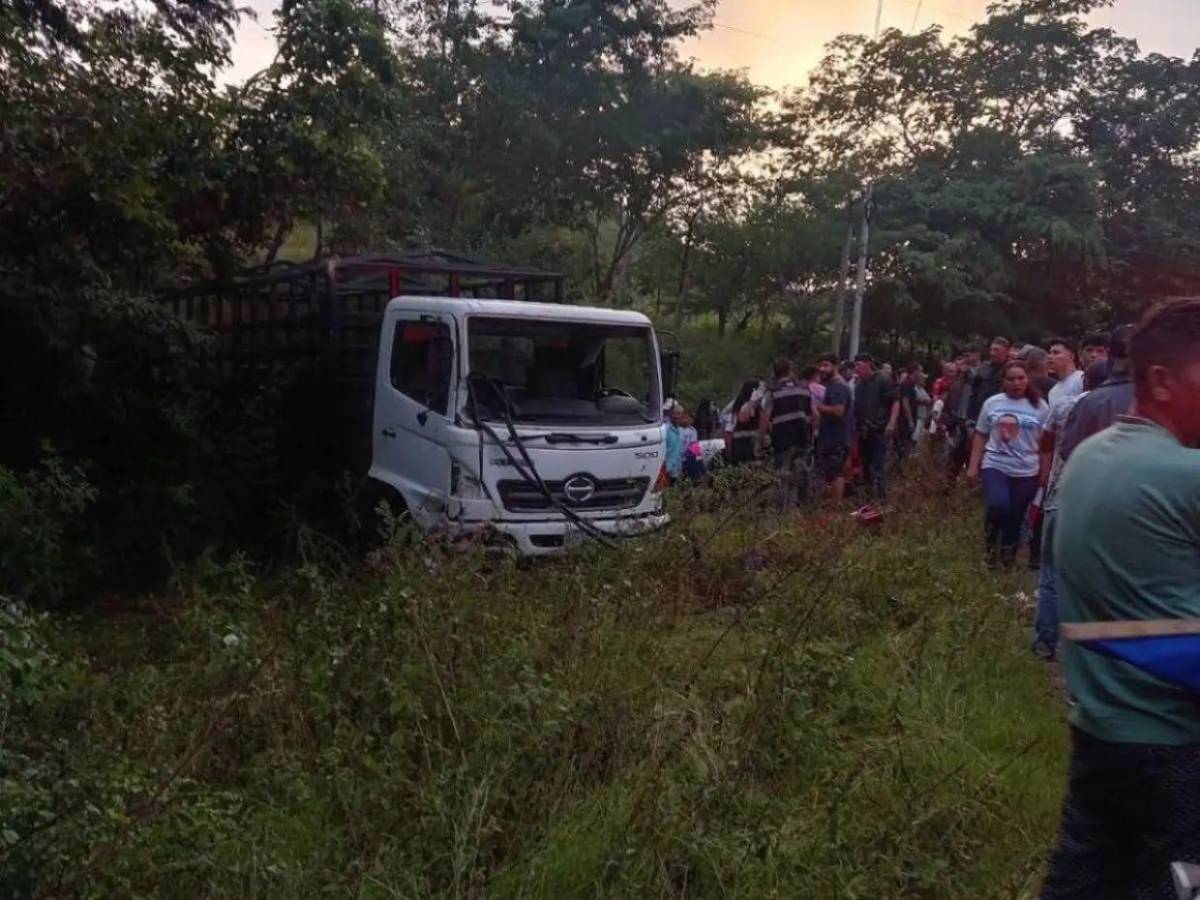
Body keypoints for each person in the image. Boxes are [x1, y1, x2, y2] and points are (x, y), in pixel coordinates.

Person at [1040, 298, 1200, 899]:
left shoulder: (1091, 456)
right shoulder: (1183, 475)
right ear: (1160, 380)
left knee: (1087, 881)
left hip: (1102, 731)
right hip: (1176, 749)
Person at [1031, 360, 1108, 661]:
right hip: (1098, 502)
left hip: (1060, 496)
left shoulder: (1063, 406)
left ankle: (1045, 642)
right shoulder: (1128, 406)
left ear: (1086, 380)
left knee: (1050, 574)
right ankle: (1086, 649)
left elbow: (1046, 443)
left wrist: (1044, 476)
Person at [966, 361, 1049, 567]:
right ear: (1004, 381)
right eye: (1011, 379)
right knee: (998, 504)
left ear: (1027, 379)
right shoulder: (993, 403)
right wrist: (973, 465)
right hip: (996, 463)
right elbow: (981, 434)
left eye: (1021, 378)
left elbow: (1046, 443)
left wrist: (1044, 471)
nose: (1016, 383)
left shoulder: (1040, 406)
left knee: (1016, 515)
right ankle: (991, 548)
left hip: (1027, 469)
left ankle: (1006, 558)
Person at [1058, 324, 1137, 463]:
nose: (1094, 355)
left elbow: (1068, 452)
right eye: (1089, 350)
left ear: (1109, 352)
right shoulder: (1167, 397)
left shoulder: (1090, 402)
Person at [761, 359, 814, 507]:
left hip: (782, 439)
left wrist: (760, 438)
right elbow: (815, 415)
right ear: (790, 371)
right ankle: (793, 507)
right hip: (802, 438)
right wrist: (812, 433)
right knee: (797, 475)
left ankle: (779, 509)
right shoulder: (804, 389)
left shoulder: (773, 392)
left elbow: (765, 417)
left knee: (780, 475)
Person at [852, 353, 900, 500]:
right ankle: (868, 500)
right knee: (866, 467)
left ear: (868, 364)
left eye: (859, 365)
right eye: (855, 366)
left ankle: (880, 500)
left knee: (878, 466)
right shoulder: (859, 386)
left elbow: (895, 401)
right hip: (864, 432)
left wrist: (892, 423)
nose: (857, 369)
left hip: (880, 430)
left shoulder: (883, 379)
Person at [814, 353, 852, 501]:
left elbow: (838, 410)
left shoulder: (838, 386)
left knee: (836, 474)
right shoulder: (833, 385)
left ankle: (835, 509)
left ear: (835, 366)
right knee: (831, 473)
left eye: (826, 365)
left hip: (836, 438)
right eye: (820, 365)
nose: (822, 369)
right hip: (833, 437)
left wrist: (818, 406)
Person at [966, 338, 1010, 423]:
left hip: (1001, 414)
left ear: (1006, 351)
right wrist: (970, 416)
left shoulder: (1011, 369)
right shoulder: (984, 368)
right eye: (991, 350)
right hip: (980, 413)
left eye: (996, 350)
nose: (992, 353)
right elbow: (973, 394)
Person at [725, 378, 765, 464]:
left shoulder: (760, 405)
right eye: (760, 388)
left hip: (753, 444)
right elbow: (742, 419)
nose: (763, 390)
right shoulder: (743, 404)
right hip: (743, 445)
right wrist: (752, 401)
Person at [664, 404, 698, 483]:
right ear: (670, 414)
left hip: (679, 468)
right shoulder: (665, 429)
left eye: (679, 413)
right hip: (666, 468)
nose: (676, 416)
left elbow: (694, 451)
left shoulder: (684, 431)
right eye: (674, 413)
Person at [1047, 338, 1083, 407]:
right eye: (1050, 353)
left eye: (1056, 353)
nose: (1049, 356)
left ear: (1071, 356)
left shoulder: (1082, 379)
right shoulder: (1052, 392)